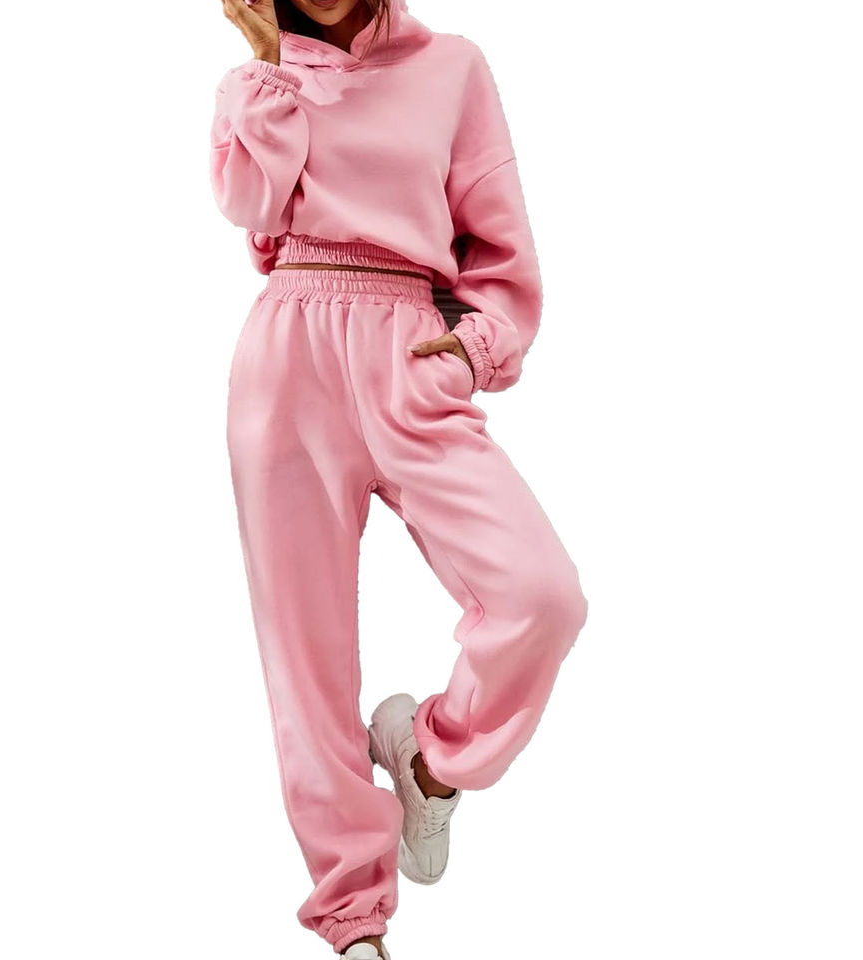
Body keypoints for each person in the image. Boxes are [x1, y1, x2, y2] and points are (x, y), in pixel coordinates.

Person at [210, 0, 589, 956]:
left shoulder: (452, 67)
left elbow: (500, 249)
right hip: (289, 355)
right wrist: (270, 68)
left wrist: (473, 348)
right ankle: (353, 921)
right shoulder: (257, 84)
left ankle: (429, 760)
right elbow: (251, 209)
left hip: (409, 349)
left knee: (541, 595)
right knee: (307, 659)